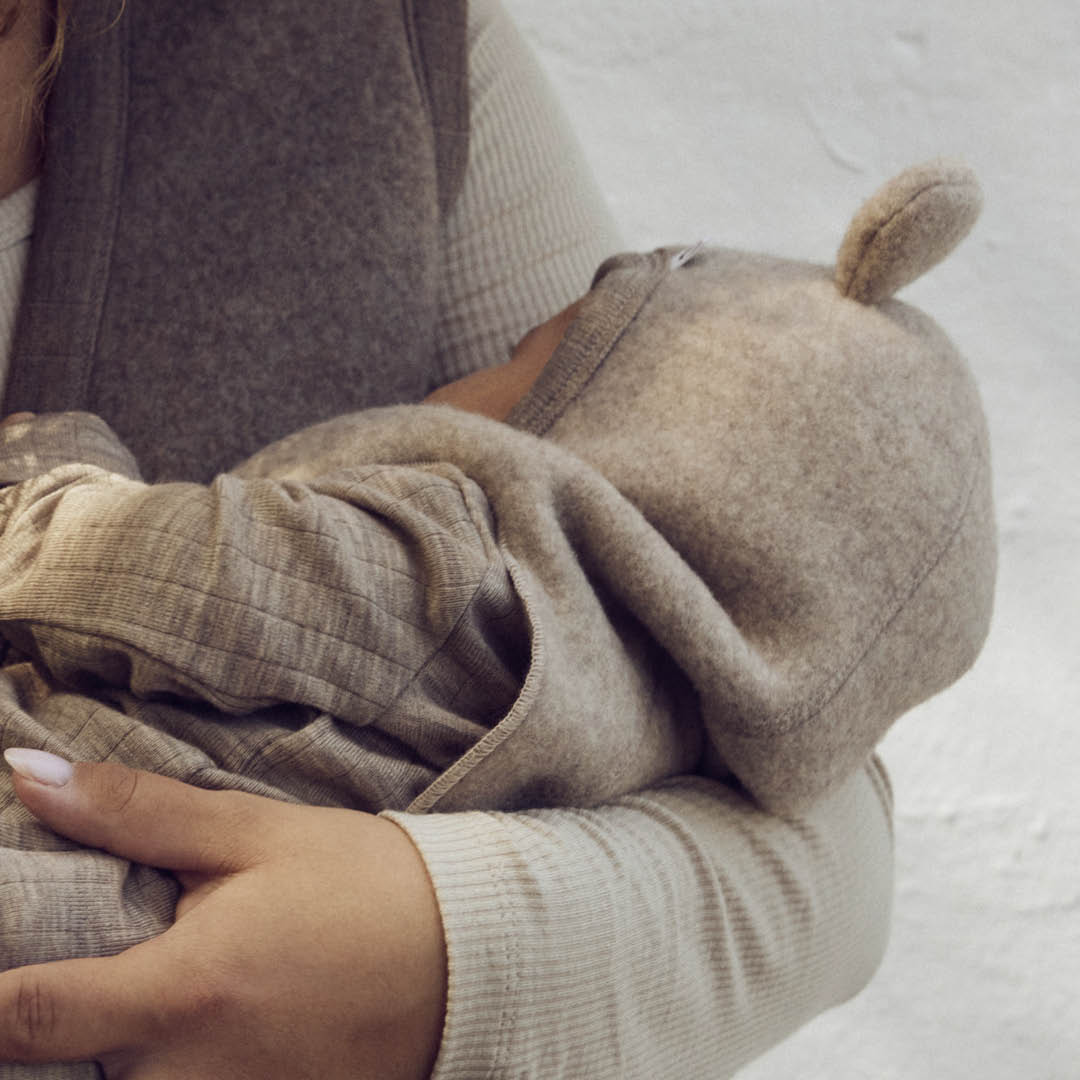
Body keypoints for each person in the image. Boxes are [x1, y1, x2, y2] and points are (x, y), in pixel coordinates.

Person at [0, 0, 904, 1077]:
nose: (469, 384)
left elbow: (831, 845)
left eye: (526, 351)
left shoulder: (367, 44)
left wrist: (451, 949)